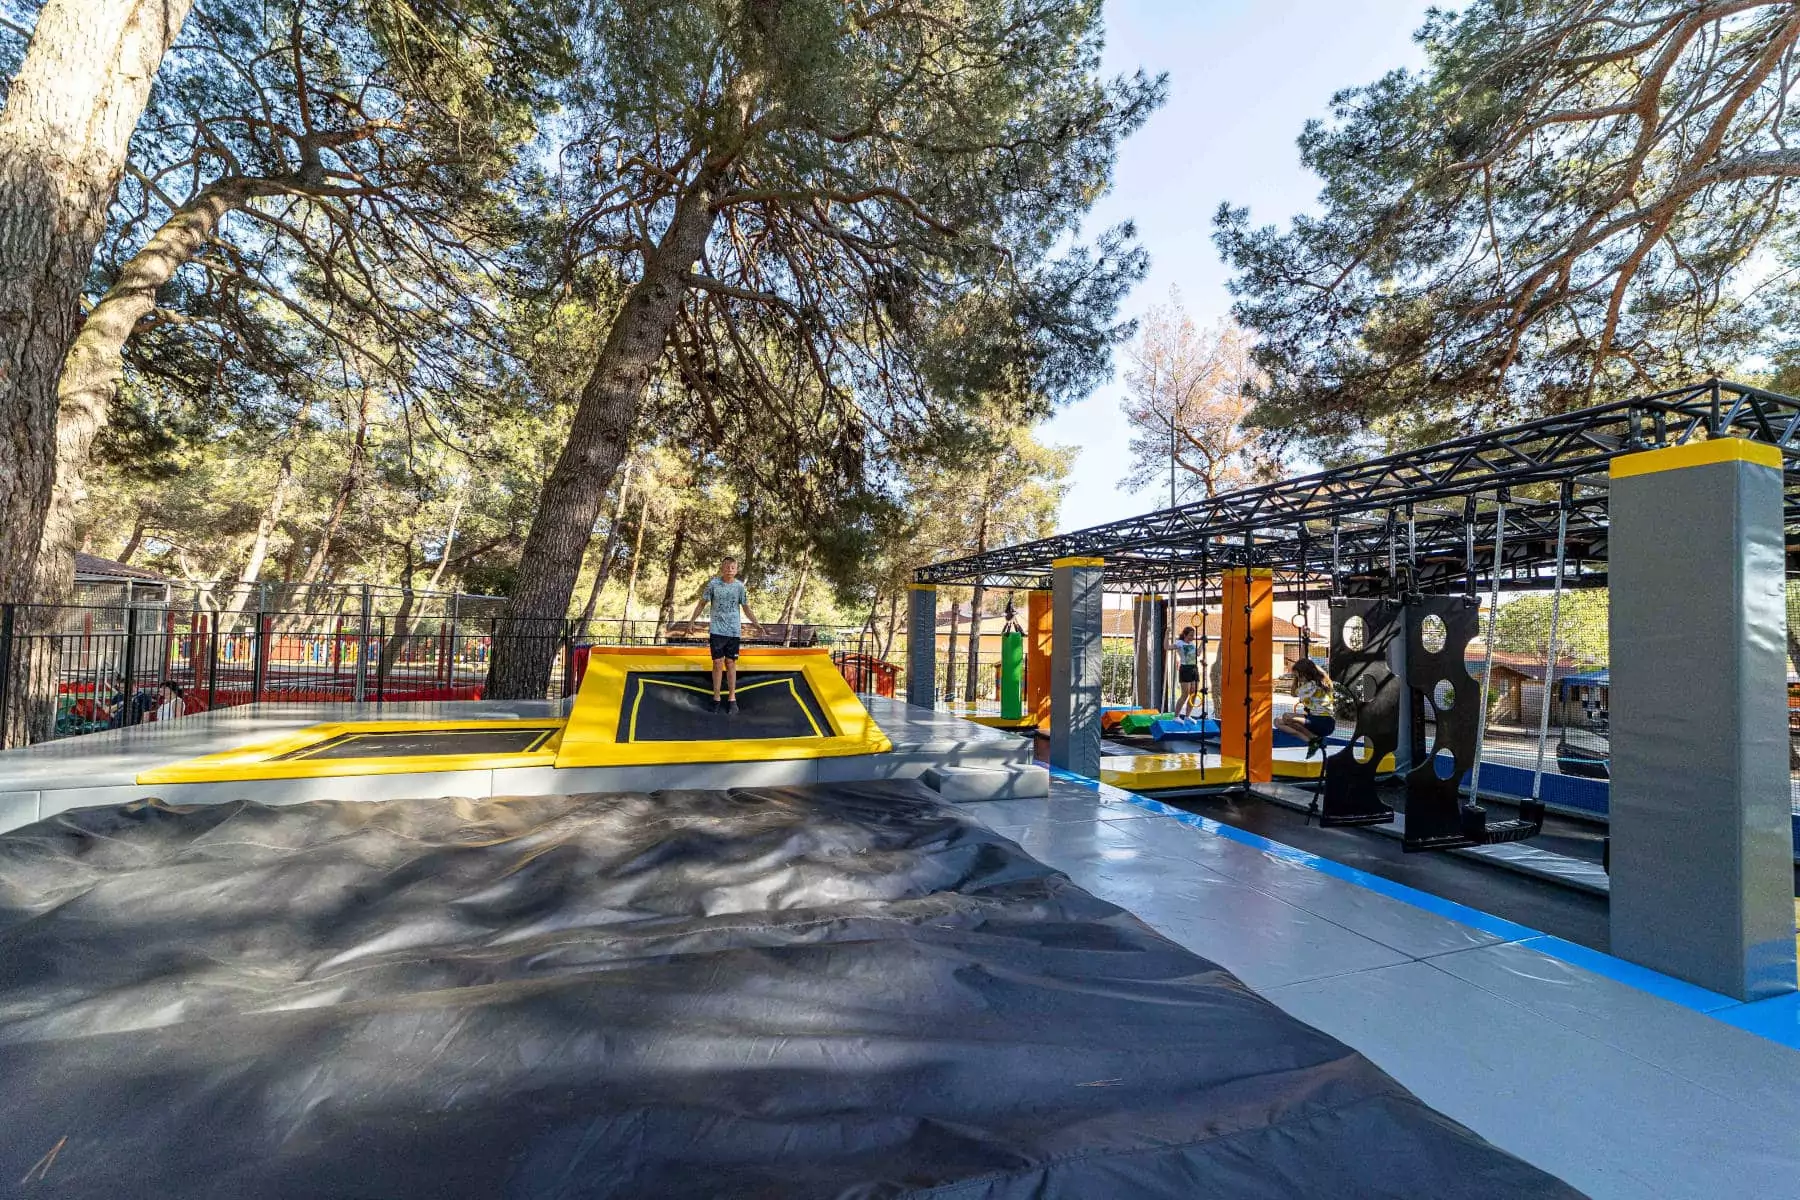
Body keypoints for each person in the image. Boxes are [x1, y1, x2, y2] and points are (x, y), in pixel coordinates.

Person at [687, 556, 762, 713]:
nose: (730, 569)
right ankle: (716, 698)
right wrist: (692, 621)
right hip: (717, 630)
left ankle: (732, 699)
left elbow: (746, 608)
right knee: (717, 663)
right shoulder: (713, 585)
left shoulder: (740, 587)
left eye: (733, 567)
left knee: (731, 663)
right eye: (727, 566)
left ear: (736, 569)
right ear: (722, 568)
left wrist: (756, 624)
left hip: (734, 631)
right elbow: (702, 603)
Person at [1277, 658, 1336, 755]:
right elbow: (1321, 671)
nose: (1299, 678)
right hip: (1317, 720)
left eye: (1299, 676)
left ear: (1305, 673)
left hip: (1323, 721)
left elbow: (1293, 693)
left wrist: (1295, 679)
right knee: (1278, 721)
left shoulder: (1311, 685)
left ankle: (1314, 739)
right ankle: (1312, 742)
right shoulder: (1324, 680)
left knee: (1286, 716)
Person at [1171, 625, 1200, 717]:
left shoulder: (1192, 644)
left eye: (1193, 635)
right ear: (1185, 635)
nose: (1192, 637)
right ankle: (1176, 716)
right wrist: (1167, 634)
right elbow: (1166, 647)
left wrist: (1202, 643)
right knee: (1185, 694)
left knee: (1194, 693)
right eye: (1191, 635)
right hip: (1185, 669)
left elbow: (1198, 654)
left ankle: (1188, 716)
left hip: (1194, 668)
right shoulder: (1179, 643)